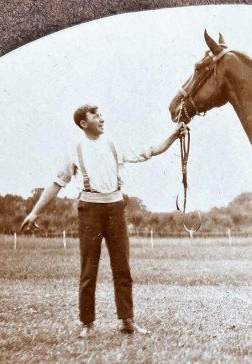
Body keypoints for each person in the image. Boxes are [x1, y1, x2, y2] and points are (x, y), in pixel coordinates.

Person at [21, 104, 183, 338]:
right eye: (95, 116)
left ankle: (127, 321)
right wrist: (35, 212)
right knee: (89, 269)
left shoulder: (113, 144)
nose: (101, 118)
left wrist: (175, 134)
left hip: (116, 208)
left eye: (101, 114)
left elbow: (152, 150)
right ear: (84, 124)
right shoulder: (75, 150)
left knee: (122, 268)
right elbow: (57, 183)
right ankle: (87, 323)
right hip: (89, 210)